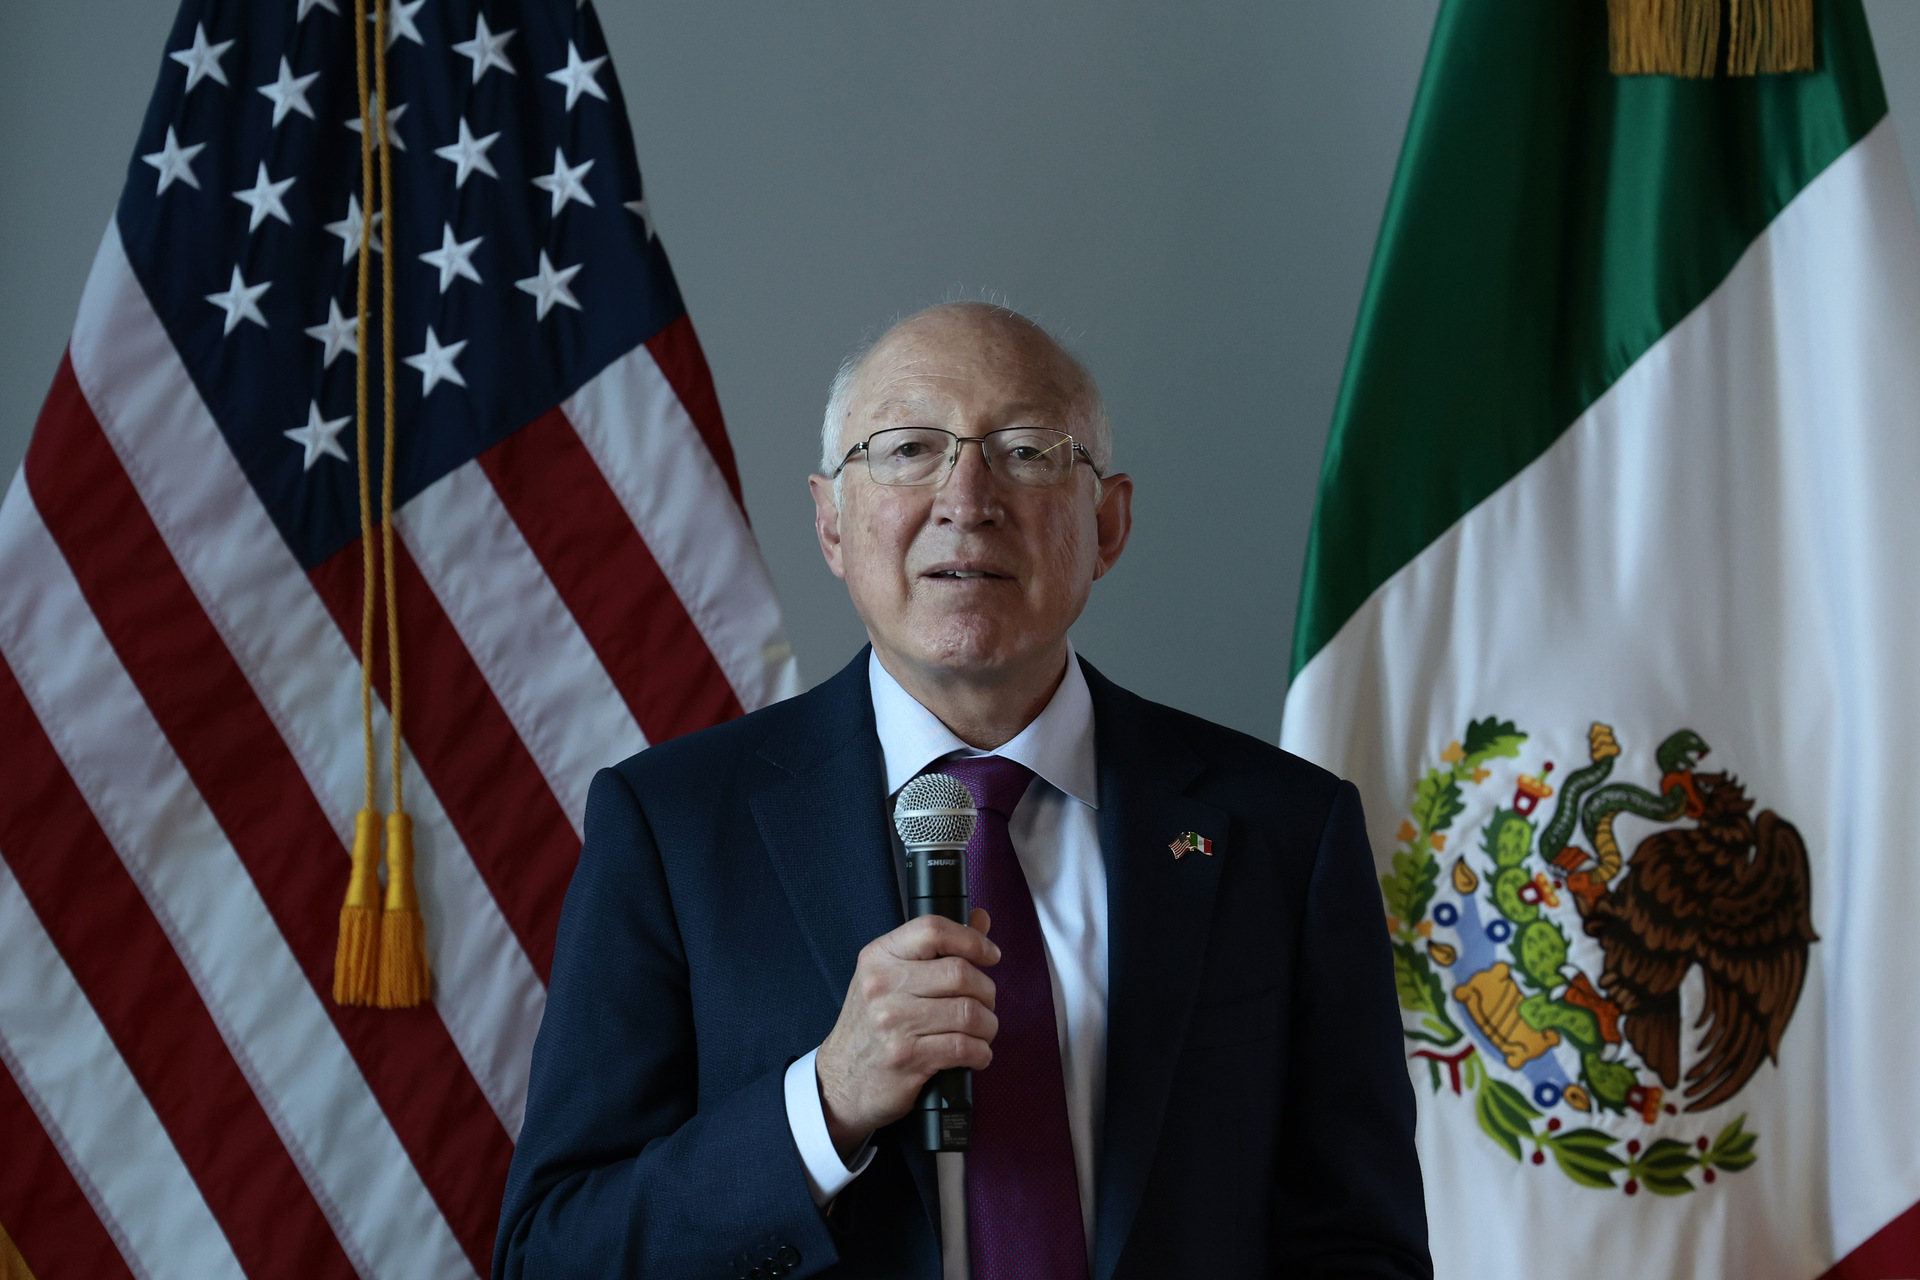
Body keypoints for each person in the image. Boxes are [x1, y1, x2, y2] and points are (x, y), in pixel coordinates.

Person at [493, 303, 1429, 1280]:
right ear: (831, 521)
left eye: (1026, 452)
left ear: (1107, 524)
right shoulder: (674, 830)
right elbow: (550, 1255)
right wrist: (825, 1102)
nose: (967, 498)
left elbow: (1362, 1248)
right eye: (908, 450)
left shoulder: (1287, 830)